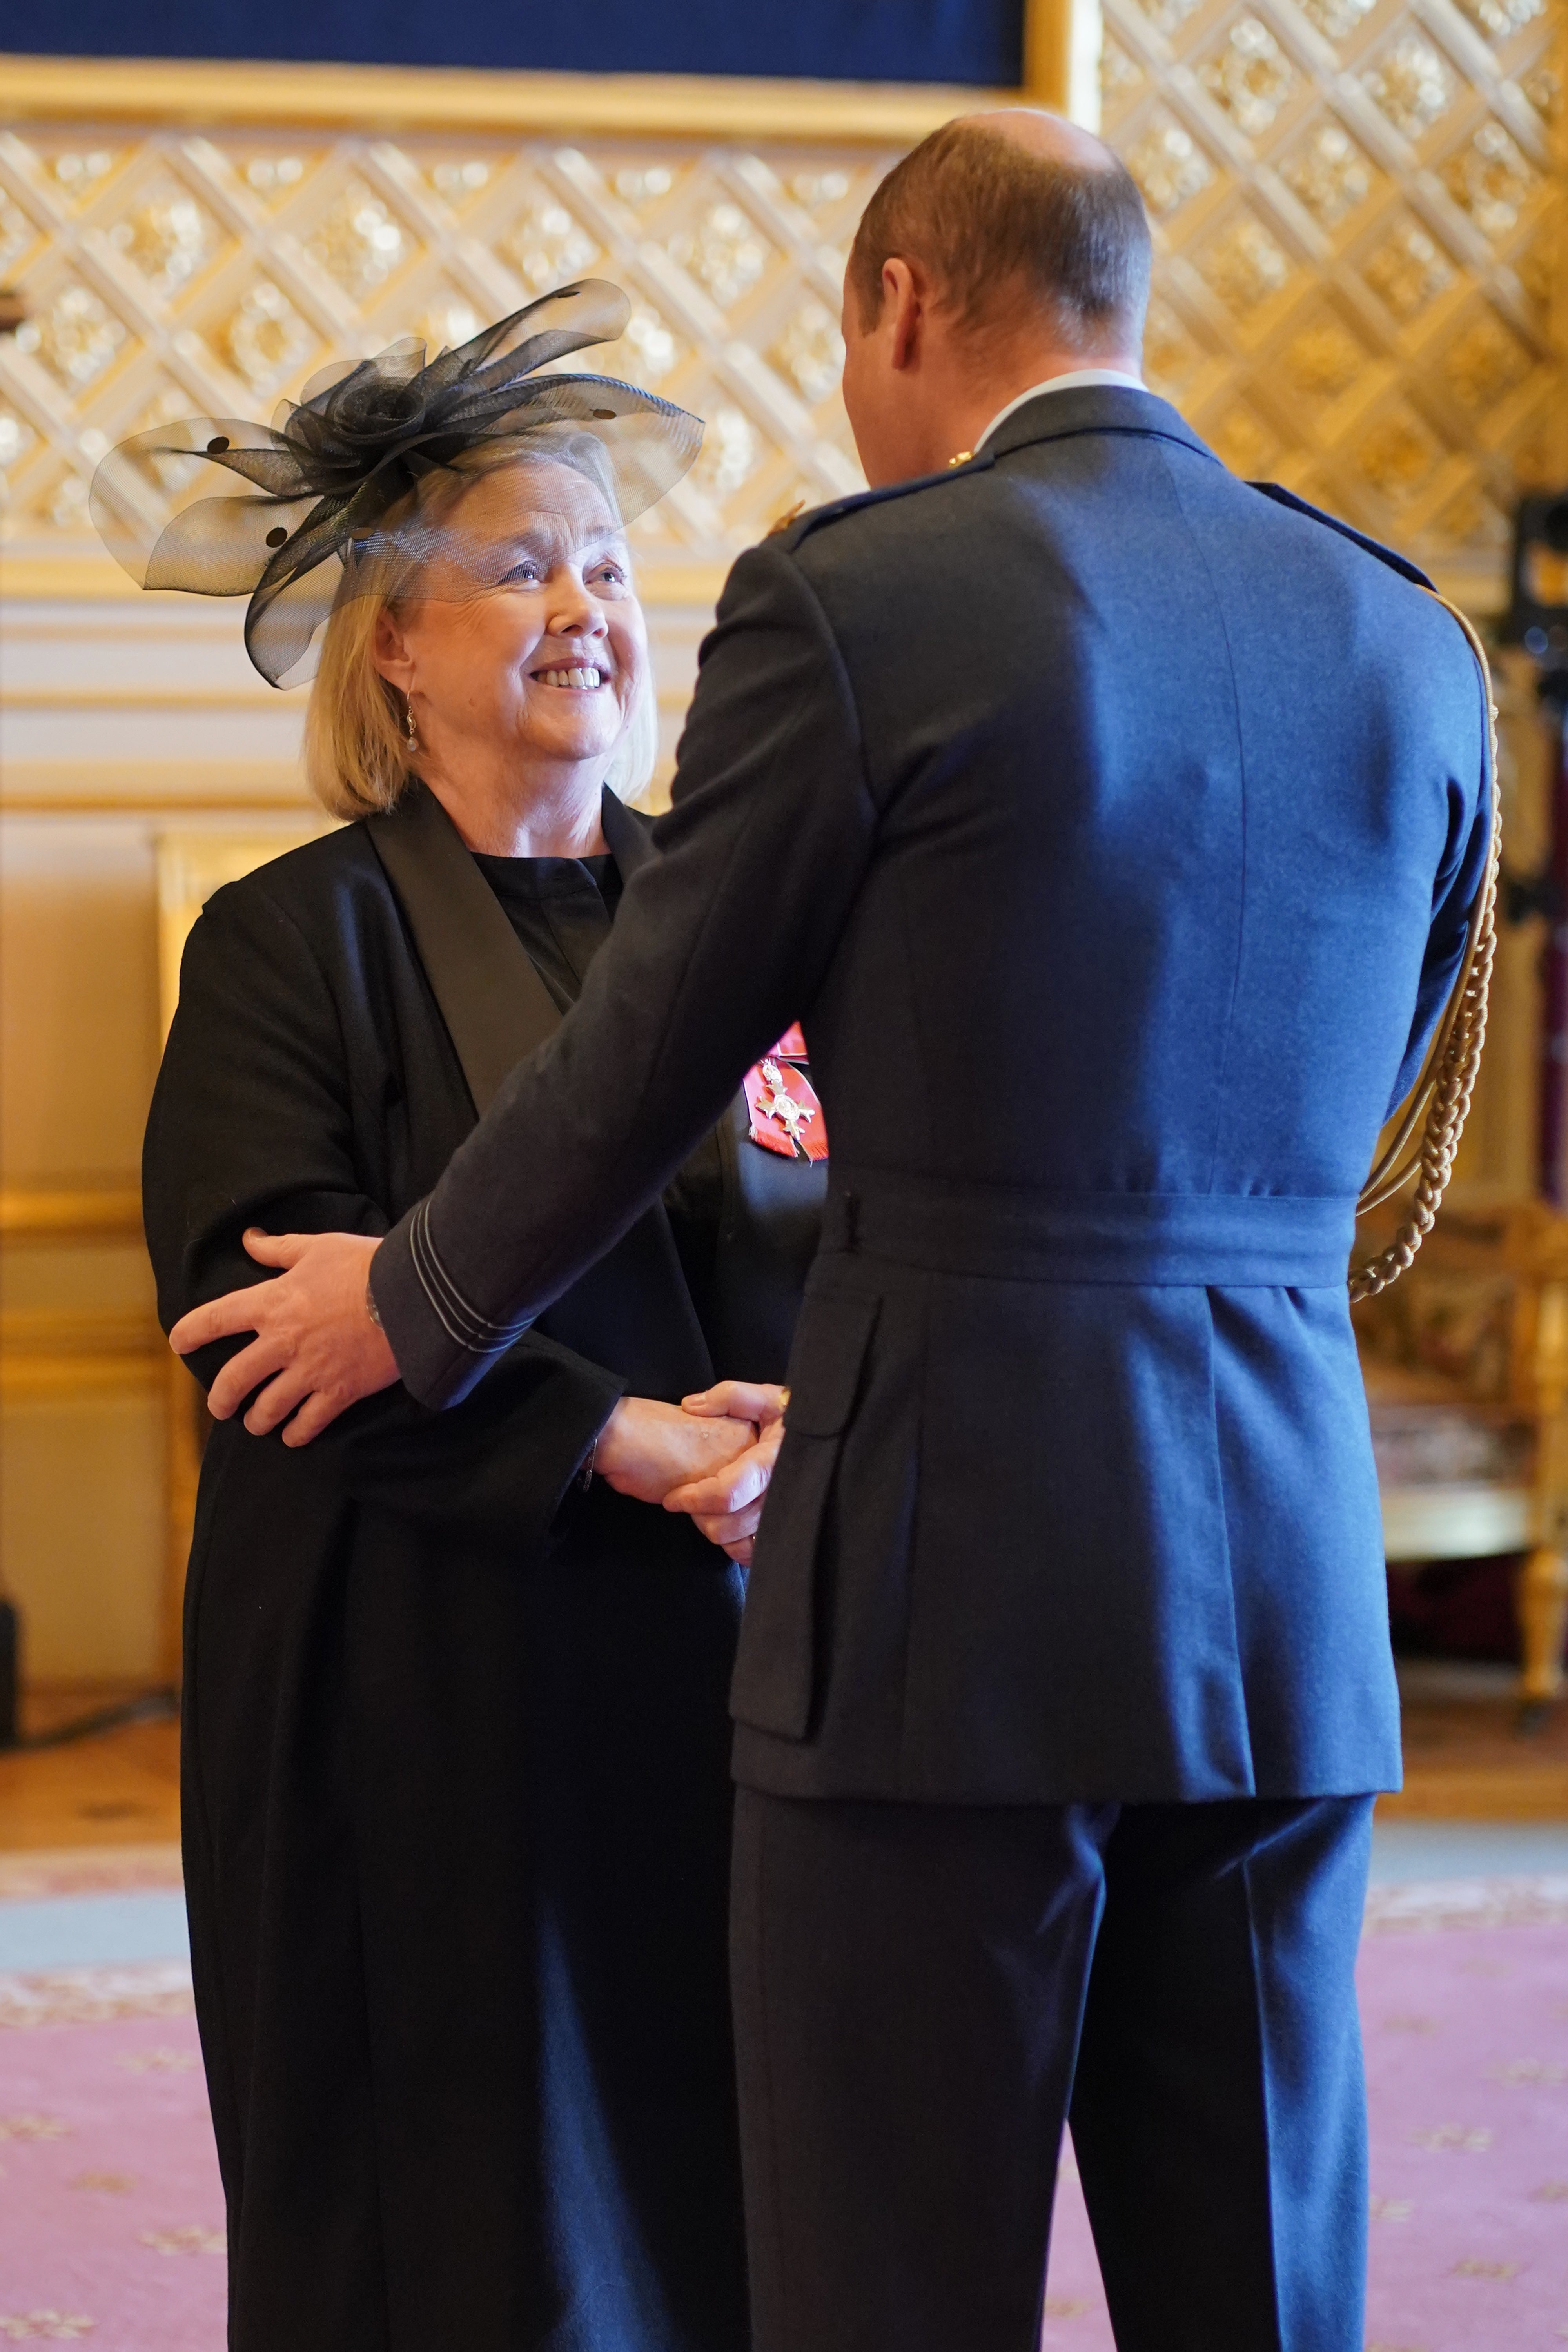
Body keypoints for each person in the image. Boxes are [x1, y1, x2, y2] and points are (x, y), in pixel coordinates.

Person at [169, 117, 1494, 2352]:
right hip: (1279, 1576)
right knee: (1266, 2277)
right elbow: (1376, 1115)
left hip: (931, 1586)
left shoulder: (865, 596)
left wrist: (414, 1297)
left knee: (889, 2278)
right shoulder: (1406, 634)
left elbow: (645, 1060)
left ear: (898, 305)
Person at [124, 286, 827, 2352]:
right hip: (419, 1693)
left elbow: (849, 1218)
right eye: (519, 566)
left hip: (725, 1664)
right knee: (466, 2245)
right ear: (394, 645)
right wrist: (625, 1436)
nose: (584, 604)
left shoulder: (744, 920)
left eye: (606, 564)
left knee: (728, 2207)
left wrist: (800, 1423)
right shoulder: (291, 944)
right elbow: (255, 1327)